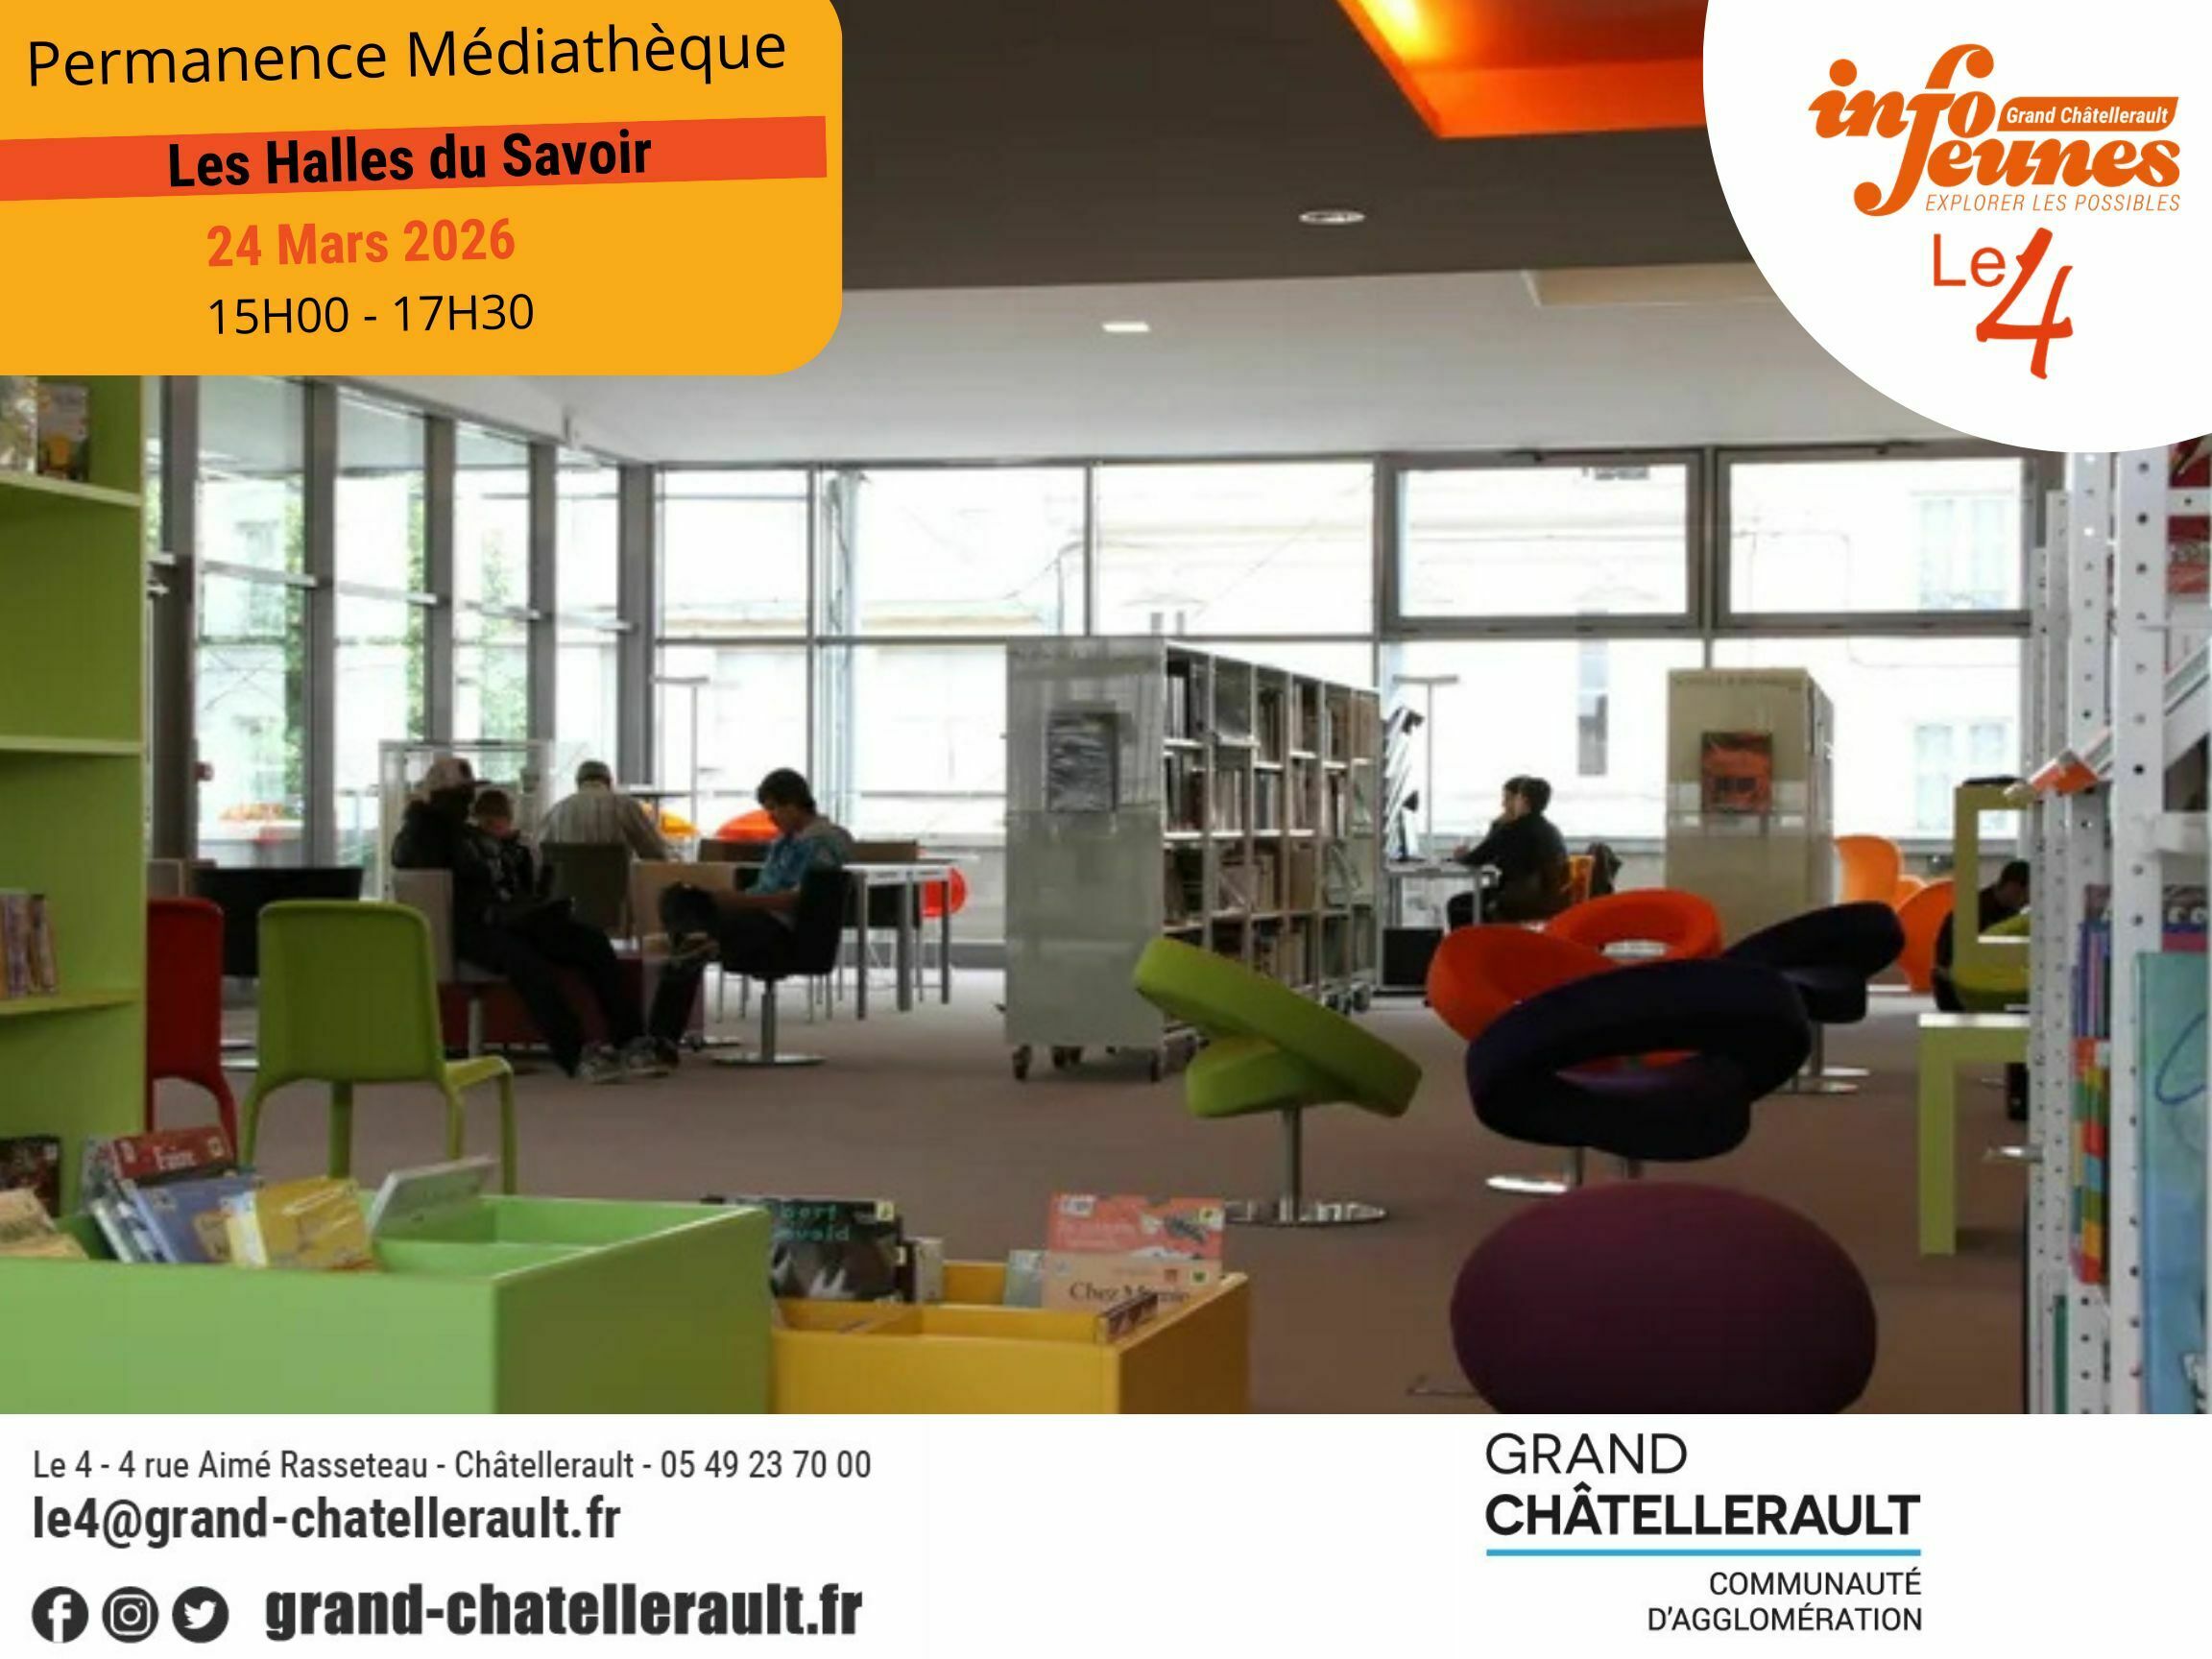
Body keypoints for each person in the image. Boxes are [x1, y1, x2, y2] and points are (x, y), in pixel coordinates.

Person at [393, 755, 662, 1085]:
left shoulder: (467, 834)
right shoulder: (423, 833)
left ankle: (630, 1039)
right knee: (528, 964)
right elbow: (415, 861)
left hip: (506, 918)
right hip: (470, 929)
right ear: (439, 796)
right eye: (460, 795)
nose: (467, 801)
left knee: (590, 941)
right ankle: (576, 1052)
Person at [646, 768, 856, 1063]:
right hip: (754, 914)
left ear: (794, 803)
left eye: (774, 809)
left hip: (779, 929)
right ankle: (697, 940)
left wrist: (742, 902)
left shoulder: (824, 843)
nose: (771, 818)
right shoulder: (785, 841)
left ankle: (662, 1034)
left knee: (689, 945)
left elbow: (803, 902)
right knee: (677, 897)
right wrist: (735, 900)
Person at [1445, 775, 1572, 927]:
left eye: (1515, 798)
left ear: (1523, 800)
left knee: (1457, 905)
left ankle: (1473, 943)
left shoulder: (1512, 830)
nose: (1505, 804)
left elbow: (1475, 858)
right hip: (1552, 901)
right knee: (1478, 902)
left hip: (1517, 900)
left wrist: (1460, 856)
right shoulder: (1552, 830)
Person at [1932, 859, 2031, 1013]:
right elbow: (1945, 966)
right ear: (2013, 887)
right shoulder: (1972, 911)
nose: (2027, 902)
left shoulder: (2009, 913)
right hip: (1955, 991)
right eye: (2026, 895)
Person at [539, 758, 671, 860]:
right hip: (617, 887)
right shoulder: (626, 806)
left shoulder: (557, 811)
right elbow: (657, 852)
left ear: (578, 783)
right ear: (609, 782)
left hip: (566, 888)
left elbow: (538, 856)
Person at [470, 787, 539, 901]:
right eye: (486, 826)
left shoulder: (522, 847)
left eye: (494, 825)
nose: (490, 832)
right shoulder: (475, 843)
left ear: (508, 820)